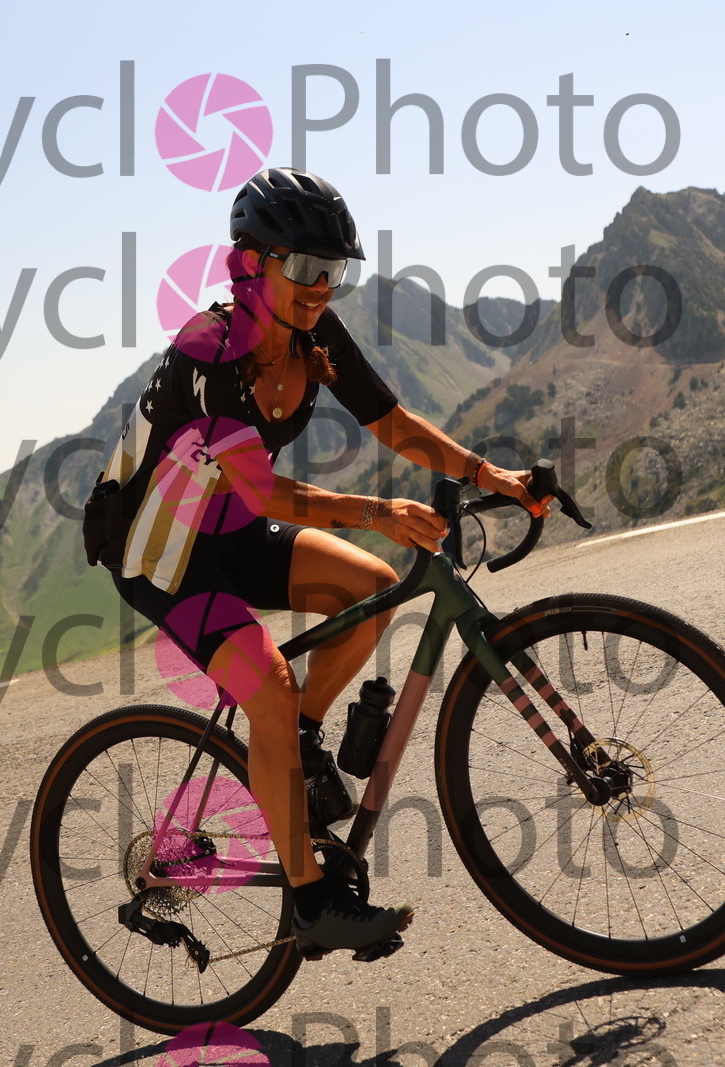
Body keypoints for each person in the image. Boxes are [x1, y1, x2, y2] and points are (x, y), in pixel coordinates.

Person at [90, 167, 549, 955]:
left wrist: (490, 473)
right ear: (251, 263)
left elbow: (392, 421)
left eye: (333, 271)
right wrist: (380, 512)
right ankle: (311, 903)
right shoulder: (209, 351)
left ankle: (295, 744)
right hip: (161, 552)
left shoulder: (314, 335)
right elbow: (264, 489)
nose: (320, 287)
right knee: (267, 686)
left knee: (370, 587)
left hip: (229, 528)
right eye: (305, 267)